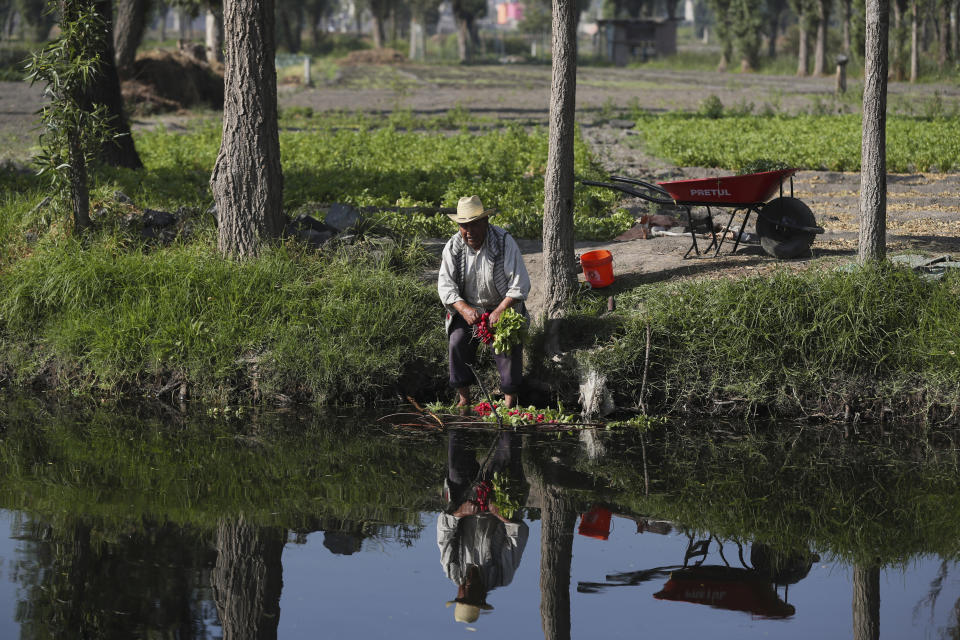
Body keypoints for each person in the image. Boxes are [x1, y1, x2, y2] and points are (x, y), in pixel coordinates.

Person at [438, 195, 531, 409]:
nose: (469, 231)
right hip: (468, 309)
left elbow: (520, 284)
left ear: (485, 222)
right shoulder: (453, 247)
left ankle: (509, 401)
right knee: (457, 341)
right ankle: (464, 398)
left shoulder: (504, 241)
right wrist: (464, 309)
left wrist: (500, 310)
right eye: (464, 226)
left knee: (506, 345)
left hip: (502, 306)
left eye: (474, 225)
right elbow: (446, 287)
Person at [438, 429, 529, 624]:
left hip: (465, 502)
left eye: (464, 596)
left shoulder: (451, 570)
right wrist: (498, 513)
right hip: (496, 505)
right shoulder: (502, 576)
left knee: (456, 464)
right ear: (483, 599)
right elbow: (519, 535)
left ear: (458, 593)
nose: (468, 591)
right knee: (508, 452)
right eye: (473, 598)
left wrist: (460, 512)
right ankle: (510, 406)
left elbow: (444, 532)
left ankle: (464, 407)